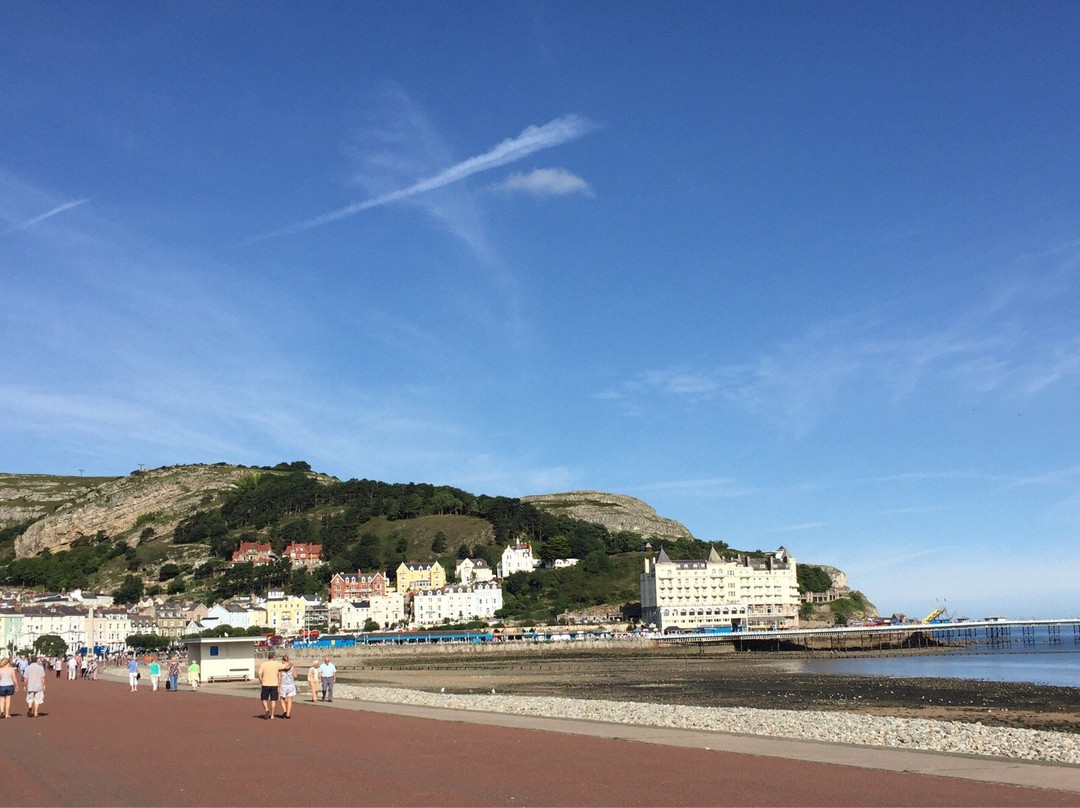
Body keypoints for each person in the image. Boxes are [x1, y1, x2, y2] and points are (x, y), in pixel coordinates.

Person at [256, 651, 286, 720]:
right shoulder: (277, 664)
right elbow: (285, 667)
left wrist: (261, 680)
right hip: (274, 684)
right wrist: (290, 664)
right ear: (274, 657)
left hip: (265, 683)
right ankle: (272, 715)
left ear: (268, 657)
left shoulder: (263, 664)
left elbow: (259, 674)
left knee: (264, 699)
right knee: (273, 700)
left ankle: (267, 709)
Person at [277, 655, 296, 719]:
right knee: (289, 699)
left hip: (283, 684)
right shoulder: (292, 666)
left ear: (283, 660)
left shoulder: (281, 668)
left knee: (282, 698)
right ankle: (288, 714)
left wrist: (278, 686)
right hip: (291, 684)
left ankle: (285, 710)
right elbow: (295, 675)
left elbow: (279, 678)